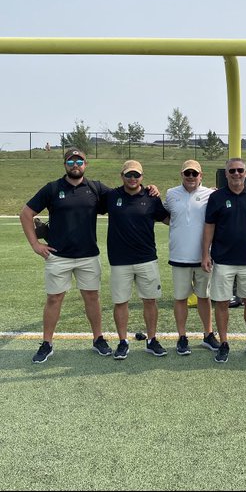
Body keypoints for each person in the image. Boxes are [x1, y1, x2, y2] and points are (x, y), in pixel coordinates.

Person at [20, 147, 116, 363]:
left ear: (85, 164)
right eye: (71, 162)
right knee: (54, 299)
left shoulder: (95, 188)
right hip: (58, 256)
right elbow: (26, 213)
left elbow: (124, 196)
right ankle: (47, 343)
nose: (75, 165)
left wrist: (151, 189)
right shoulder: (53, 188)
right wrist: (35, 244)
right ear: (65, 165)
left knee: (92, 297)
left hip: (88, 255)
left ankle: (98, 339)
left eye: (79, 161)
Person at [99, 160, 169, 359]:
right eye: (128, 175)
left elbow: (169, 220)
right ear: (121, 176)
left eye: (136, 175)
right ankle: (123, 341)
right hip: (120, 260)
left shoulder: (151, 197)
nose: (132, 179)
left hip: (147, 258)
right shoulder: (111, 196)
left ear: (142, 177)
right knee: (121, 302)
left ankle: (152, 340)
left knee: (150, 300)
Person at [201, 158, 246, 363]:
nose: (236, 174)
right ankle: (224, 343)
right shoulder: (217, 197)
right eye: (232, 171)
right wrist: (205, 253)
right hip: (222, 260)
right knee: (221, 303)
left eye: (240, 170)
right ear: (226, 174)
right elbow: (209, 226)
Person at [164, 160, 219, 356]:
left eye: (194, 174)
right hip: (179, 256)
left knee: (204, 297)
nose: (190, 177)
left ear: (201, 176)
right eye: (187, 173)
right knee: (180, 298)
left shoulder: (210, 194)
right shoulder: (171, 194)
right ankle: (182, 337)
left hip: (204, 257)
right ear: (182, 174)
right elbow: (165, 216)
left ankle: (208, 334)